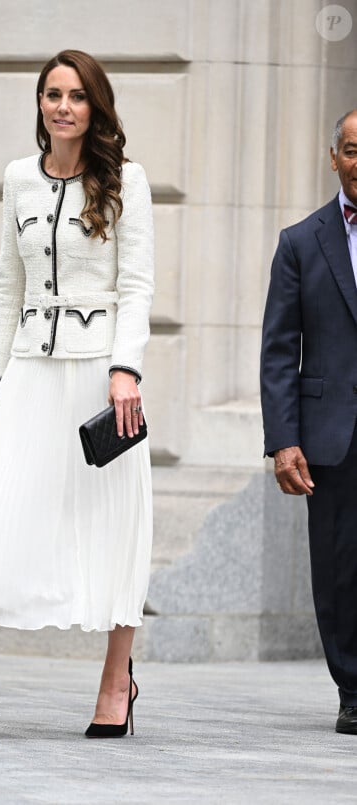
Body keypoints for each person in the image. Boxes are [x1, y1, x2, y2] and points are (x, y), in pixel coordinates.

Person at [0, 50, 154, 738]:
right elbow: (5, 283)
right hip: (30, 371)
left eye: (76, 96)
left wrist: (126, 367)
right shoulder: (19, 178)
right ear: (39, 103)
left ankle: (115, 680)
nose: (63, 106)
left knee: (114, 520)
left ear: (95, 107)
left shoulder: (127, 181)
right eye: (52, 94)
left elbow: (136, 286)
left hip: (104, 378)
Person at [260, 109, 357, 735]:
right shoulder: (300, 242)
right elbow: (277, 349)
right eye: (352, 149)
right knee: (341, 565)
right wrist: (283, 441)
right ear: (334, 158)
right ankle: (353, 687)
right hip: (332, 436)